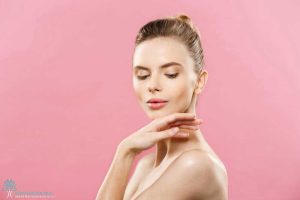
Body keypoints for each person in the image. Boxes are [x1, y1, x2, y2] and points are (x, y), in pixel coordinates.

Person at [96, 13, 228, 200]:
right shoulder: (146, 165)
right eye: (142, 75)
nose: (152, 85)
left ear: (199, 81)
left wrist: (125, 153)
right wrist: (125, 150)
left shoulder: (197, 165)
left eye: (171, 74)